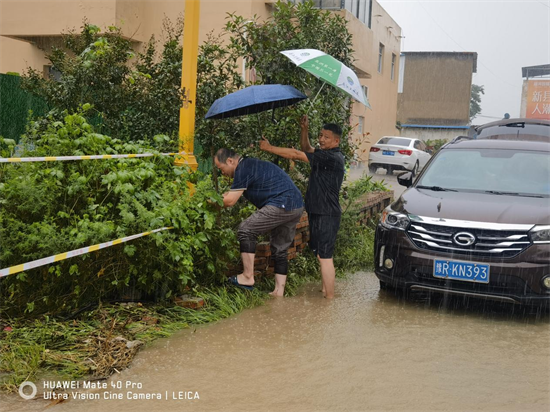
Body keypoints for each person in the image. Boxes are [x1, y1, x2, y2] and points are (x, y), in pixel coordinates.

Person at [259, 115, 345, 299]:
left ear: (336, 141)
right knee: (321, 254)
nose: (321, 139)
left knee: (325, 256)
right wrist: (304, 129)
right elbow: (306, 148)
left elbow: (298, 154)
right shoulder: (324, 155)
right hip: (318, 211)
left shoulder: (332, 158)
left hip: (326, 213)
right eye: (320, 135)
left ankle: (329, 300)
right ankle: (324, 290)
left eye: (326, 137)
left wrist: (269, 148)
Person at [214, 148, 304, 297]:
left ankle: (248, 276)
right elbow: (230, 195)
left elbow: (229, 201)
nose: (222, 172)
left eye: (221, 168)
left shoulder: (243, 167)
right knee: (279, 248)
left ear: (230, 161)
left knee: (246, 229)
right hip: (296, 205)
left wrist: (209, 201)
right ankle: (278, 292)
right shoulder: (249, 165)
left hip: (282, 203)